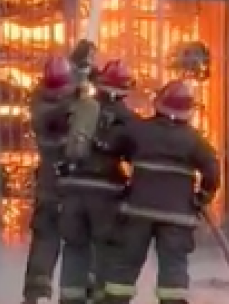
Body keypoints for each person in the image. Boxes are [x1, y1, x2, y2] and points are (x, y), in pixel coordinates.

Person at [99, 79, 220, 304]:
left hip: (138, 211)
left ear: (159, 104)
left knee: (125, 264)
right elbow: (212, 170)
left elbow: (112, 145)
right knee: (173, 267)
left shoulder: (140, 130)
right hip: (176, 216)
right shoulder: (195, 140)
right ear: (188, 112)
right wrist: (202, 196)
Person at [56, 59, 139, 304]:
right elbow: (137, 154)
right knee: (106, 247)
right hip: (106, 193)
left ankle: (71, 298)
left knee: (74, 247)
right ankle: (101, 296)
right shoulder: (128, 120)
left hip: (72, 189)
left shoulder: (80, 109)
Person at [22, 54, 79, 304]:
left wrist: (78, 62)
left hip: (52, 185)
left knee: (46, 237)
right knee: (67, 239)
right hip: (65, 186)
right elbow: (67, 110)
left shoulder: (40, 100)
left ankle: (37, 294)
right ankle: (44, 293)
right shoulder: (51, 111)